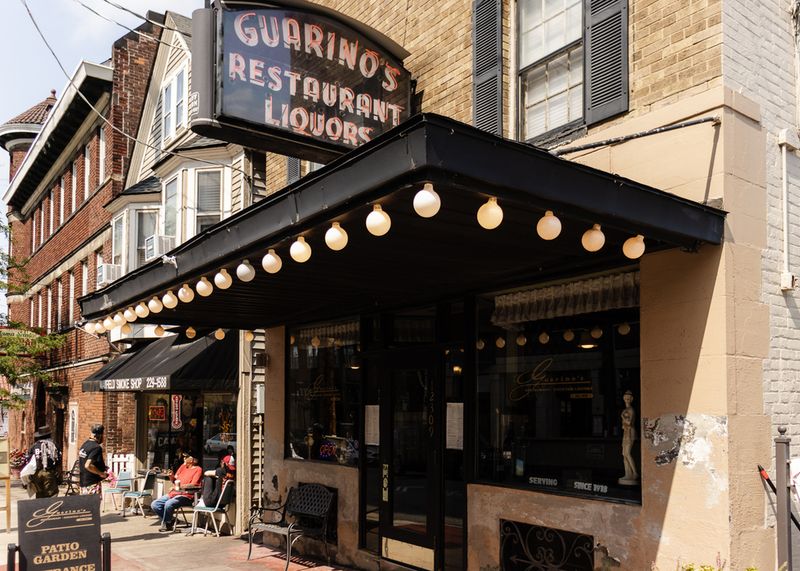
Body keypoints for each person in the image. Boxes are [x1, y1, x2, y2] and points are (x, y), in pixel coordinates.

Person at [151, 452, 203, 532]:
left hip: (186, 495)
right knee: (155, 504)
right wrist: (171, 476)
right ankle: (171, 519)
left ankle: (167, 523)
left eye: (186, 457)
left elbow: (194, 484)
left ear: (193, 460)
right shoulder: (183, 467)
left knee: (169, 504)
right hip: (174, 493)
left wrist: (180, 487)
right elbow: (175, 480)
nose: (184, 459)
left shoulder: (198, 469)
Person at [26, 425, 62, 498]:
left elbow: (28, 460)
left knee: (39, 494)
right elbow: (58, 460)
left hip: (37, 473)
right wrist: (59, 473)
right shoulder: (53, 445)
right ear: (49, 435)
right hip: (49, 472)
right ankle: (50, 509)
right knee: (51, 494)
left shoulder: (34, 446)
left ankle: (40, 508)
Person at [79, 424, 109, 495]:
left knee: (85, 505)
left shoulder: (85, 444)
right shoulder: (96, 447)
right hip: (92, 484)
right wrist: (101, 473)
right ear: (99, 435)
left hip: (83, 483)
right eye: (103, 435)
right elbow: (88, 465)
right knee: (93, 505)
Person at [618, 390, 639, 485]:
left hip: (630, 432)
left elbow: (629, 423)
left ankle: (635, 473)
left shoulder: (630, 410)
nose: (626, 399)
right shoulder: (625, 410)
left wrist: (623, 417)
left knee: (627, 453)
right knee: (624, 453)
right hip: (626, 432)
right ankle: (628, 473)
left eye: (628, 398)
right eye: (625, 397)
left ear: (631, 399)